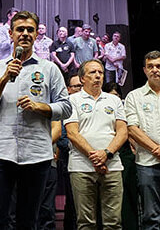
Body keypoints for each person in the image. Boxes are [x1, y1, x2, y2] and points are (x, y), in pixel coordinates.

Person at [0, 10, 72, 229]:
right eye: (20, 29)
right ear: (11, 34)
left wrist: (42, 107)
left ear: (37, 35)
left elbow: (66, 107)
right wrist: (3, 79)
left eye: (30, 30)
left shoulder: (50, 69)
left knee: (29, 221)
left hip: (36, 155)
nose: (25, 34)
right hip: (0, 153)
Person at [64, 59, 128, 229]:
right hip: (81, 167)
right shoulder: (72, 100)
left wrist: (106, 154)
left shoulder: (114, 101)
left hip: (112, 166)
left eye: (100, 72)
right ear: (82, 78)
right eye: (93, 72)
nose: (98, 75)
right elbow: (72, 133)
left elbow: (122, 131)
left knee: (113, 223)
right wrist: (95, 157)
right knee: (85, 224)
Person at [125, 50, 160, 229]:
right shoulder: (134, 96)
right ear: (144, 70)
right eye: (151, 66)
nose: (155, 70)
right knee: (150, 215)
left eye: (159, 66)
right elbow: (132, 128)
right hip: (147, 163)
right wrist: (157, 149)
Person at [103, 81, 140, 230]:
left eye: (117, 96)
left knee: (128, 197)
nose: (115, 99)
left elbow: (129, 130)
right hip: (105, 154)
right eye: (111, 96)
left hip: (125, 156)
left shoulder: (124, 109)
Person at [56, 73, 81, 230]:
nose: (79, 89)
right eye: (76, 86)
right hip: (71, 159)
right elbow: (61, 138)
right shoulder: (64, 107)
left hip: (94, 160)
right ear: (68, 89)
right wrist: (81, 147)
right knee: (73, 204)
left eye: (81, 85)